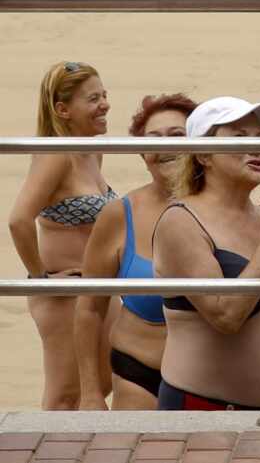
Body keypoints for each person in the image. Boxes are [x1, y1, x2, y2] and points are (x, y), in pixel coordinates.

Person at [152, 96, 260, 409]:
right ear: (204, 155)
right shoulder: (180, 220)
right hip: (200, 411)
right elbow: (226, 316)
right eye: (239, 136)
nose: (257, 147)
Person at [76, 93, 196, 410]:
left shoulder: (228, 210)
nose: (165, 147)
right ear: (143, 153)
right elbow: (89, 307)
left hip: (209, 379)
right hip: (138, 373)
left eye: (177, 136)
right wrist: (90, 392)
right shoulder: (118, 214)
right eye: (153, 139)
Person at [9, 61, 116, 410]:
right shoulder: (56, 153)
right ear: (62, 109)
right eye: (93, 98)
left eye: (104, 95)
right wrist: (41, 278)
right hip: (64, 296)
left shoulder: (92, 150)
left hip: (98, 290)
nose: (104, 105)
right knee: (65, 395)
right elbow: (19, 220)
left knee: (102, 382)